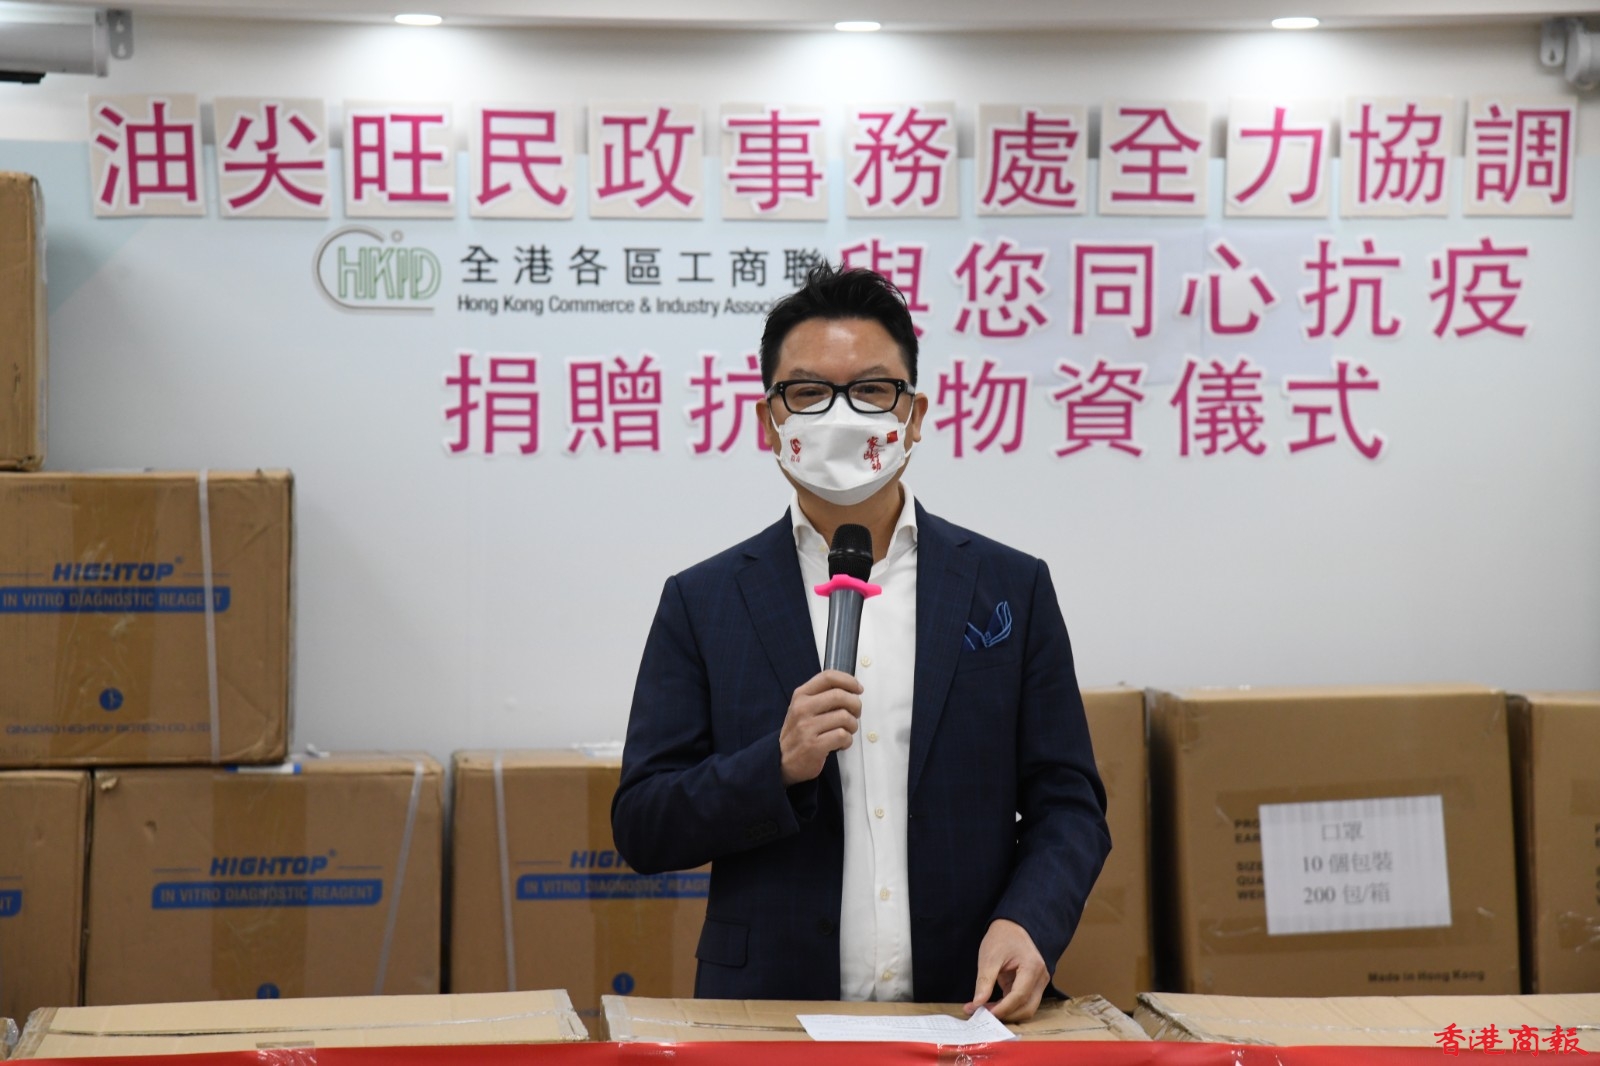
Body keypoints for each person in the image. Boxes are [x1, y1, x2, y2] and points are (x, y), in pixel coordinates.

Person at [612, 264, 1109, 1021]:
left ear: (914, 414)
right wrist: (776, 765)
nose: (841, 416)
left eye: (872, 389)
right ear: (768, 421)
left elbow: (1069, 803)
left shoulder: (1011, 586)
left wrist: (1029, 920)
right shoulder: (704, 601)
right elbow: (644, 824)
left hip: (964, 1009)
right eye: (809, 393)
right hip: (769, 1017)